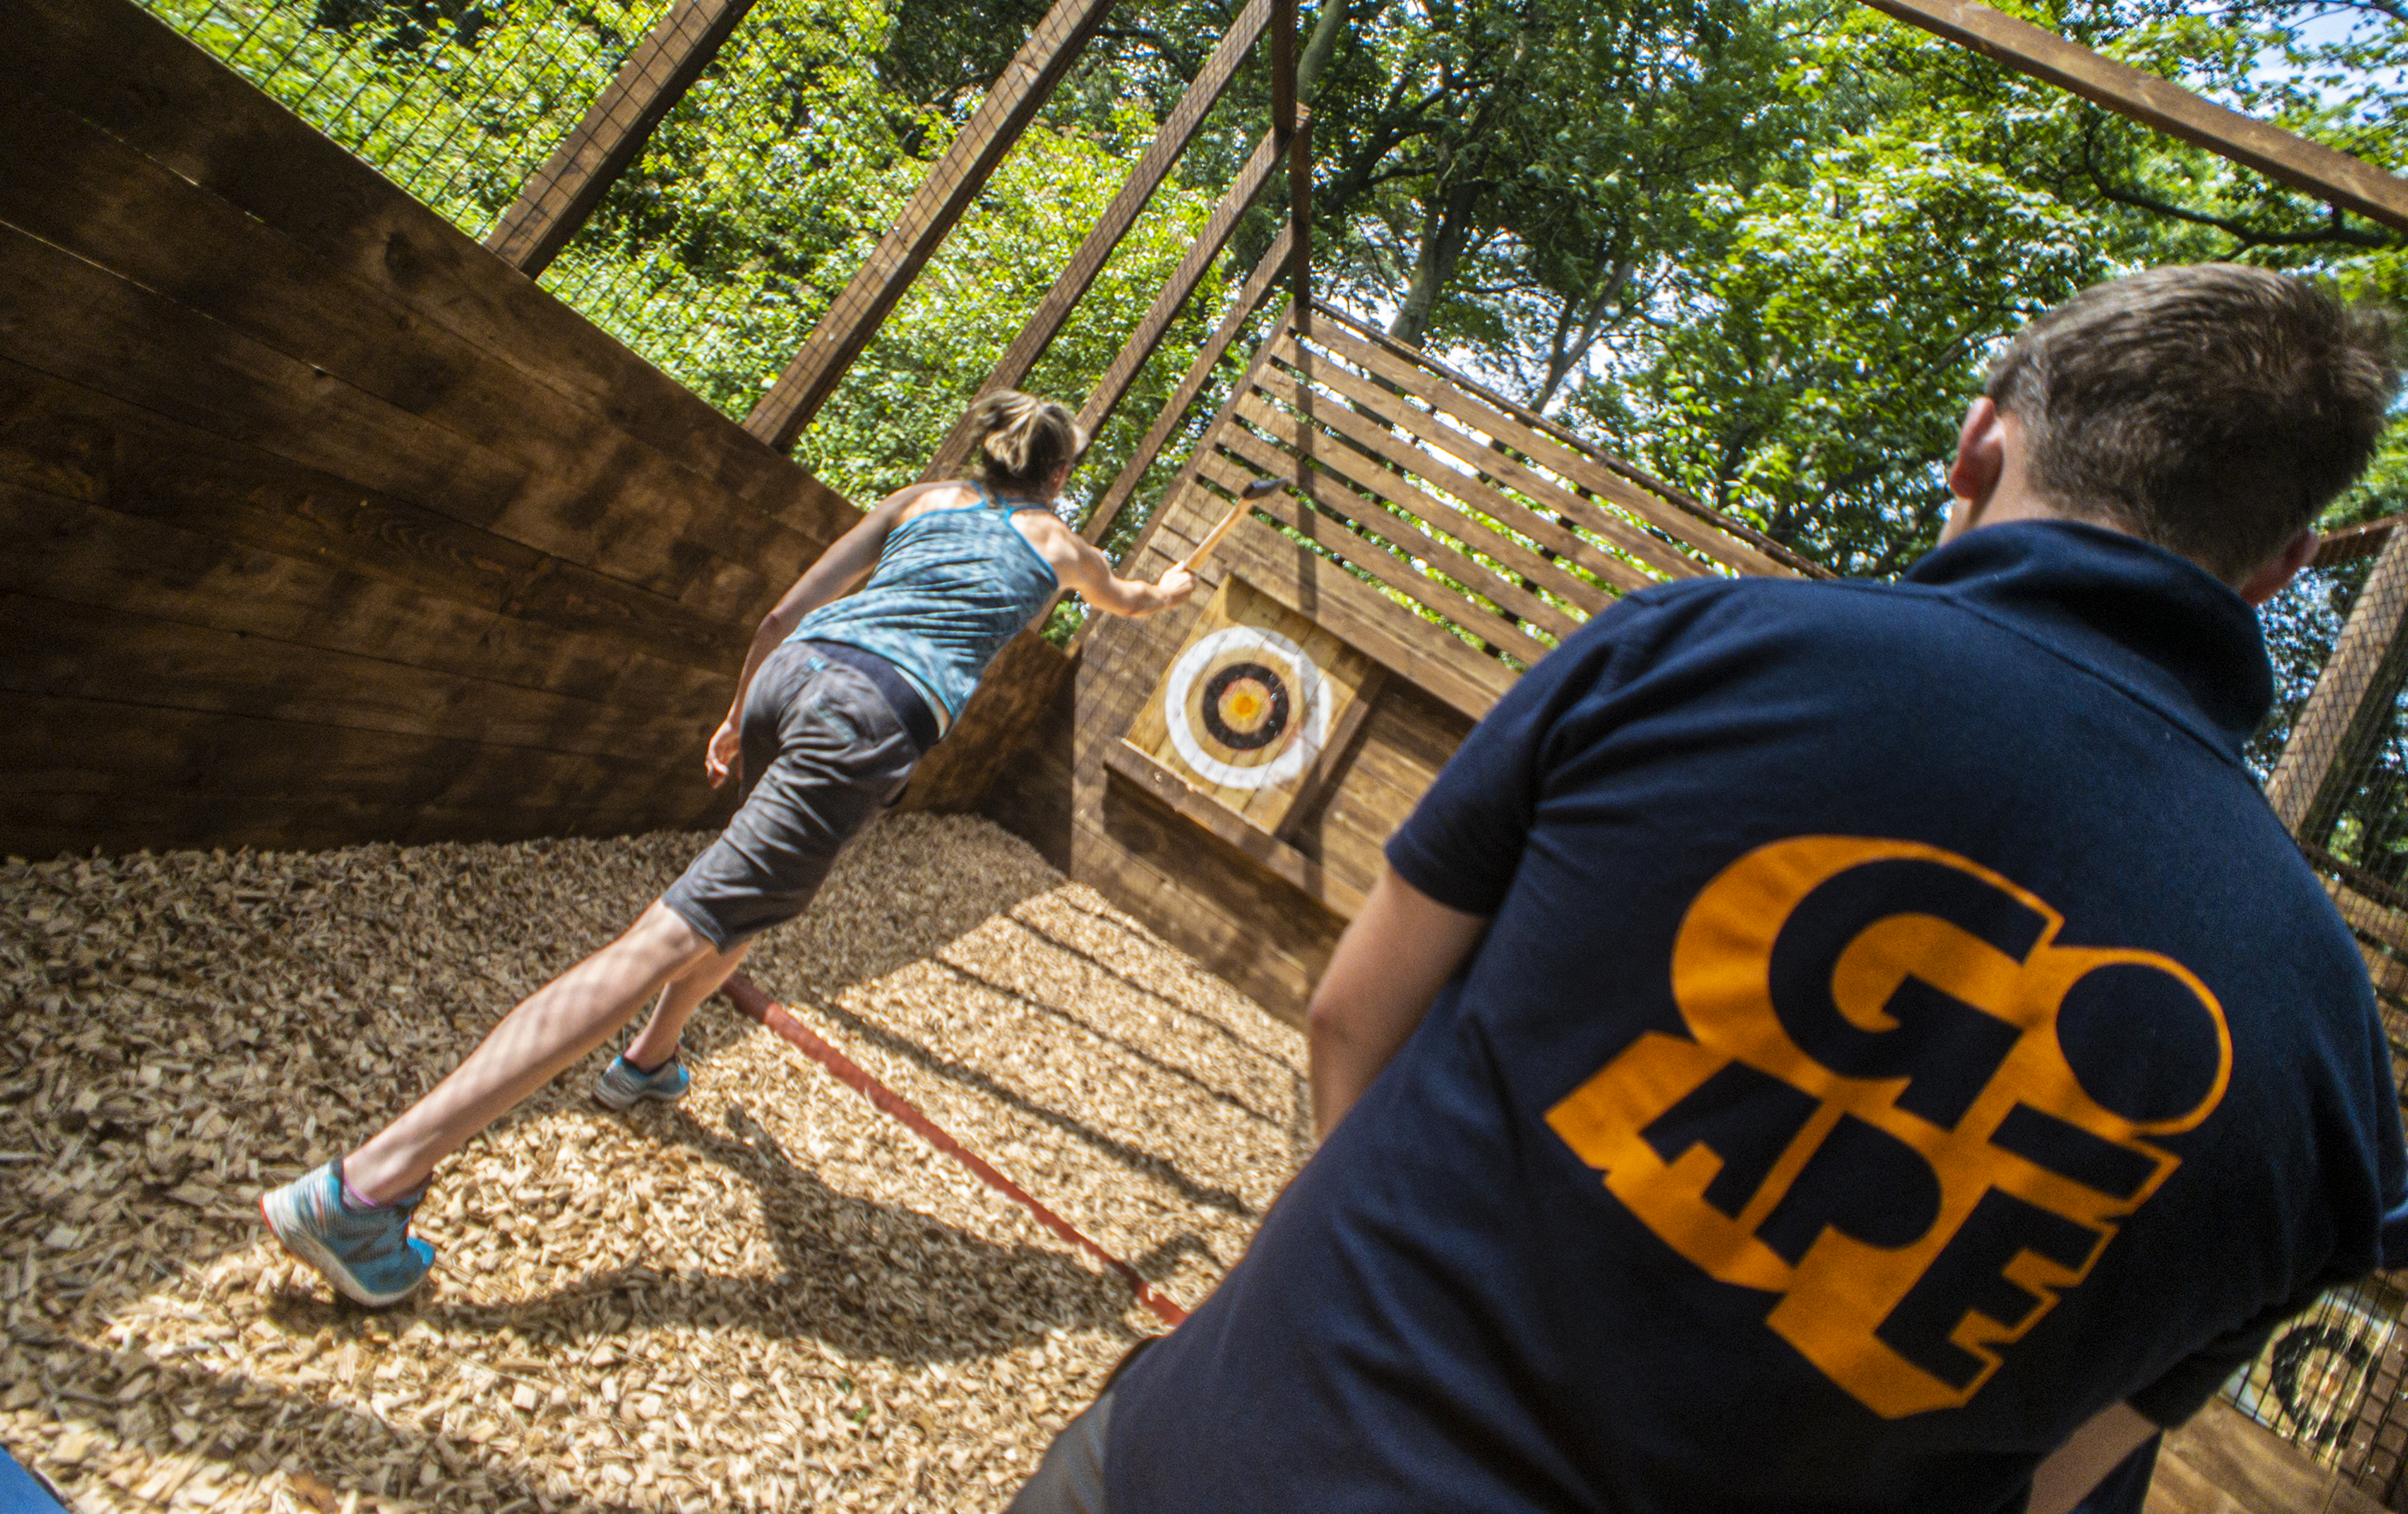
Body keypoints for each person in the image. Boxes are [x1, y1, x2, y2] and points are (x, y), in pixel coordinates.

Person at [1005, 265, 2408, 1514]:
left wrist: (1346, 1318)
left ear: (1980, 439)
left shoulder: (1696, 649)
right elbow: (2052, 1480)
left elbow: (1349, 1014)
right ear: (2277, 569)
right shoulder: (2331, 1065)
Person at [262, 391, 1194, 1307]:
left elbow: (779, 616)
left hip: (790, 680)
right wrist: (1174, 591)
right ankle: (364, 1188)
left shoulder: (922, 501)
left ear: (994, 452)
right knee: (660, 940)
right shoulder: (1066, 550)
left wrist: (734, 714)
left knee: (740, 903)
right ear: (1061, 475)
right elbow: (1135, 600)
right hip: (866, 723)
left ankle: (650, 1061)